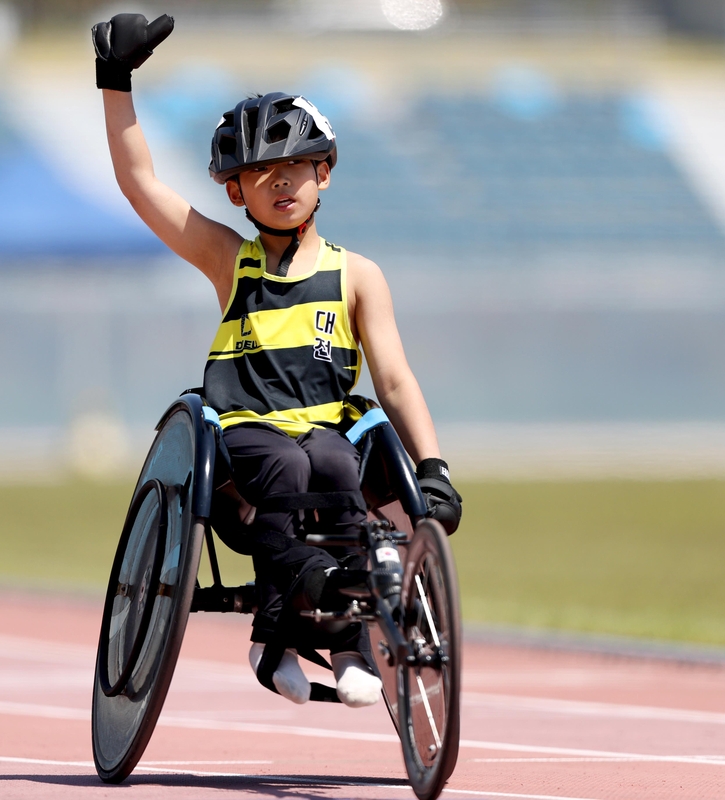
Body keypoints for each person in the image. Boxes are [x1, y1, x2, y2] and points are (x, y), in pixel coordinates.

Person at [93, 13, 461, 708]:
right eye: (261, 174)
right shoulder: (231, 261)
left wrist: (434, 468)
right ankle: (283, 622)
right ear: (237, 190)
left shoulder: (359, 275)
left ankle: (348, 643)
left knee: (333, 466)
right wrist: (117, 82)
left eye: (295, 168)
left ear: (323, 172)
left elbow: (394, 379)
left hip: (329, 429)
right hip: (249, 436)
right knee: (293, 465)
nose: (281, 184)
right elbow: (142, 186)